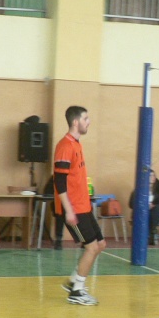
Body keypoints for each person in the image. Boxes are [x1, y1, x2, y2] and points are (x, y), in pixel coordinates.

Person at [53, 106, 106, 306]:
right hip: (73, 209)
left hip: (84, 207)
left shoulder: (76, 144)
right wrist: (68, 211)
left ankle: (73, 281)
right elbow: (59, 182)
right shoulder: (65, 146)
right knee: (91, 248)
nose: (88, 121)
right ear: (75, 122)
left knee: (100, 244)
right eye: (85, 118)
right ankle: (77, 292)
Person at [129, 169, 159, 245]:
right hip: (141, 211)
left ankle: (149, 233)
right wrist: (144, 206)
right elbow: (131, 204)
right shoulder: (138, 190)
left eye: (154, 175)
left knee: (155, 210)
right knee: (146, 214)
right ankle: (149, 234)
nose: (153, 177)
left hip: (153, 212)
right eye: (150, 176)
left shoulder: (157, 191)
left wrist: (153, 205)